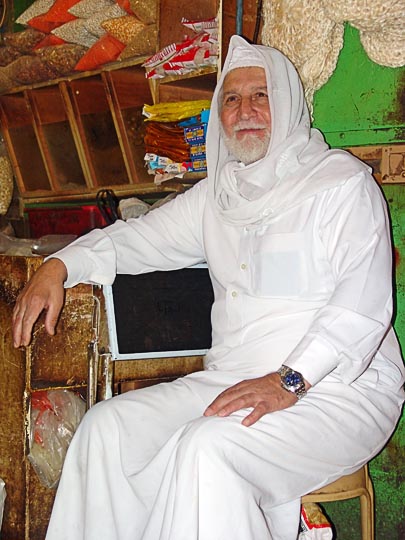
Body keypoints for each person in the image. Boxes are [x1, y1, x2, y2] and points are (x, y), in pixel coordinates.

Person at [12, 35, 405, 540]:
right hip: (235, 379)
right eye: (232, 99)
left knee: (207, 448)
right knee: (106, 430)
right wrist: (59, 266)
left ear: (286, 104)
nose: (245, 110)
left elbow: (362, 306)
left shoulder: (340, 185)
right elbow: (135, 239)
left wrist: (288, 381)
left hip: (337, 390)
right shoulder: (215, 198)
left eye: (260, 95)